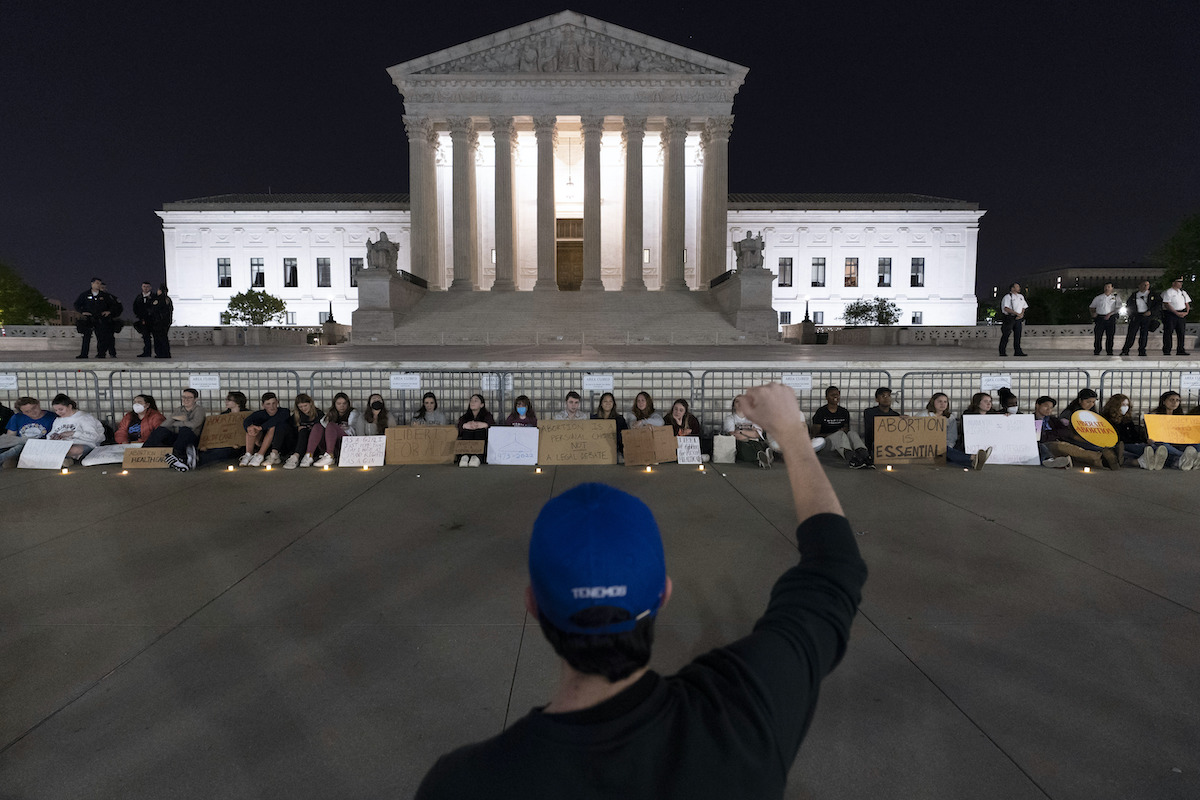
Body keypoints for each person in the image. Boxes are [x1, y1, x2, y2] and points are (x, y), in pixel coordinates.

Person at [415, 382, 867, 799]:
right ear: (663, 594)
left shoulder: (462, 783)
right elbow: (835, 568)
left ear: (533, 605)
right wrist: (790, 432)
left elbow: (835, 571)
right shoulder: (740, 715)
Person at [143, 388, 207, 472]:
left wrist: (180, 422)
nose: (186, 400)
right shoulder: (179, 409)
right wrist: (173, 418)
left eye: (189, 398)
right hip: (177, 436)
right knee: (161, 431)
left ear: (195, 399)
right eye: (184, 397)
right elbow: (165, 425)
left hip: (191, 436)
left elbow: (194, 424)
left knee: (185, 430)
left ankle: (178, 456)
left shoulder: (199, 410)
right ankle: (144, 451)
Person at [1099, 394, 1170, 470]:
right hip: (1121, 444)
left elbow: (1134, 434)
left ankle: (1174, 460)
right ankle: (1176, 460)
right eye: (1123, 405)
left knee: (1155, 448)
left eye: (1127, 405)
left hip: (1132, 443)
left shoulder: (1127, 419)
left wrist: (1144, 441)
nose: (1125, 407)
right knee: (1150, 450)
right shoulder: (1106, 419)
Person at [1059, 388, 1122, 470]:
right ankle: (1110, 456)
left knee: (1102, 444)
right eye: (1088, 402)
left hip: (1090, 437)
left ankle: (1112, 455)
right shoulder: (1068, 413)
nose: (1091, 405)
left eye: (1093, 402)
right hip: (1074, 438)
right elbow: (1065, 430)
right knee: (1096, 446)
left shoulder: (1093, 414)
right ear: (1080, 400)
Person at [811, 385, 869, 468]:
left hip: (841, 441)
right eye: (832, 395)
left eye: (837, 394)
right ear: (826, 397)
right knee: (839, 434)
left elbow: (847, 430)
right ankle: (852, 459)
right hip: (827, 443)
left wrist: (844, 431)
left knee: (852, 433)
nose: (835, 397)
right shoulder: (821, 412)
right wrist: (835, 433)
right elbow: (815, 435)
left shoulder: (844, 412)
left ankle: (865, 456)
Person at [47, 394, 105, 467]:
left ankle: (61, 458)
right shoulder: (58, 420)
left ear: (70, 406)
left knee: (73, 449)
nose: (58, 412)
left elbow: (94, 437)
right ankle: (67, 459)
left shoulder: (84, 417)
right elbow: (52, 433)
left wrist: (73, 433)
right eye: (56, 410)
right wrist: (52, 437)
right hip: (62, 444)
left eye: (61, 409)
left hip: (84, 443)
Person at [1146, 391, 1199, 470]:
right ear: (1164, 401)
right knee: (1162, 446)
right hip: (1162, 442)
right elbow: (1149, 433)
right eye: (1171, 400)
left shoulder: (1181, 417)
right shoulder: (1154, 415)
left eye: (1177, 400)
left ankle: (1188, 459)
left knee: (1197, 444)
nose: (1174, 402)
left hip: (1178, 443)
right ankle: (1187, 458)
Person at [240, 392, 295, 467]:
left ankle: (260, 455)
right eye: (268, 404)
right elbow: (247, 421)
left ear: (277, 402)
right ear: (263, 405)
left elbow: (276, 420)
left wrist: (260, 428)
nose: (271, 406)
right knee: (251, 428)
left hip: (283, 445)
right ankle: (248, 454)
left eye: (273, 403)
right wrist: (249, 428)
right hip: (265, 444)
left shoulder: (284, 411)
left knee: (273, 426)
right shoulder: (260, 414)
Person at [311, 392, 365, 468]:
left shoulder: (353, 413)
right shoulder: (331, 413)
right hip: (332, 442)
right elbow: (323, 424)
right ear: (334, 404)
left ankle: (329, 455)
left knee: (331, 425)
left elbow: (353, 430)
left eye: (344, 404)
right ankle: (309, 455)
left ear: (348, 404)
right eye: (339, 404)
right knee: (318, 427)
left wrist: (338, 429)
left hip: (347, 443)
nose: (341, 406)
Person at [917, 392, 972, 467]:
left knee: (946, 454)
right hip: (924, 445)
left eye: (945, 402)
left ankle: (971, 461)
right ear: (933, 402)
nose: (942, 404)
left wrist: (946, 447)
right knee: (949, 457)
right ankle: (971, 459)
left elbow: (951, 436)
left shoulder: (950, 417)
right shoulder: (923, 415)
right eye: (940, 401)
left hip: (943, 446)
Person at [1, 397, 56, 469]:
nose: (32, 412)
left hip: (39, 446)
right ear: (22, 412)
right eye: (27, 411)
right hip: (20, 444)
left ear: (38, 404)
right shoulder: (17, 417)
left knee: (19, 447)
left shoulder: (52, 417)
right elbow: (11, 437)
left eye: (34, 408)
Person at [73, 277, 121, 359]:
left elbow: (114, 305)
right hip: (89, 319)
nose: (99, 285)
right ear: (92, 284)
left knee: (101, 337)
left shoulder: (105, 296)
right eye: (97, 283)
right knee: (86, 337)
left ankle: (101, 354)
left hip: (101, 319)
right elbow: (77, 304)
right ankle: (84, 354)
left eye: (100, 283)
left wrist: (109, 312)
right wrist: (82, 312)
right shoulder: (85, 294)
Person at [199, 391, 248, 467]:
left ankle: (198, 460)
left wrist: (240, 443)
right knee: (214, 449)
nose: (226, 402)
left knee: (222, 451)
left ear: (238, 402)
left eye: (229, 400)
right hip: (224, 443)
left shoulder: (247, 415)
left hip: (239, 447)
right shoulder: (223, 416)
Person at [861, 387, 900, 469]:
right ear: (876, 399)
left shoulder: (896, 415)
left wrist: (903, 421)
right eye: (883, 396)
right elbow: (870, 430)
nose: (886, 398)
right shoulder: (869, 412)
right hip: (875, 443)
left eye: (888, 396)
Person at [1032, 396, 1074, 468]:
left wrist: (1052, 433)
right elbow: (1040, 438)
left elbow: (1066, 431)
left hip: (1055, 441)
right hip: (1046, 444)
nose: (1049, 409)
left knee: (1073, 448)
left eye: (1051, 408)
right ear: (1037, 405)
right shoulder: (1032, 419)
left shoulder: (1052, 419)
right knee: (1068, 448)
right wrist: (1056, 434)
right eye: (1046, 406)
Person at [1120, 280, 1159, 356]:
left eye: (1147, 285)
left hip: (1146, 316)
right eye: (1144, 285)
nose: (1145, 286)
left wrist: (1151, 312)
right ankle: (1125, 350)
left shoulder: (1153, 295)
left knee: (1144, 334)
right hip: (1136, 316)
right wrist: (1131, 315)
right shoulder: (1134, 295)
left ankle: (1142, 350)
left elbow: (1157, 305)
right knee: (1131, 334)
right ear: (1139, 286)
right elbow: (1129, 305)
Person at [283, 394, 322, 469]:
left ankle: (298, 456)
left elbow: (320, 429)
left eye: (305, 406)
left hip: (313, 444)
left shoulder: (318, 414)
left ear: (310, 403)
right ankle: (295, 456)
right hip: (298, 443)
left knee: (304, 430)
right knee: (302, 431)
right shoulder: (296, 416)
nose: (303, 409)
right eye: (300, 407)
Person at [456, 394, 495, 466]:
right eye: (471, 401)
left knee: (480, 431)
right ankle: (465, 456)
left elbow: (490, 425)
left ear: (482, 405)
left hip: (482, 442)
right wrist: (466, 425)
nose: (472, 402)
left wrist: (476, 425)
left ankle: (477, 456)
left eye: (476, 401)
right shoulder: (464, 417)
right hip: (466, 443)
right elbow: (460, 427)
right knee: (467, 431)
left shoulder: (488, 416)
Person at [1088, 282, 1122, 356]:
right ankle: (1097, 350)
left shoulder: (1116, 297)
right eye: (1106, 287)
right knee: (1098, 336)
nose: (1107, 288)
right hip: (1100, 318)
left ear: (1112, 288)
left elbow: (1118, 308)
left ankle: (1109, 351)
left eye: (1109, 287)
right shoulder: (1098, 297)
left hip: (1111, 318)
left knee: (1110, 336)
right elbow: (1092, 307)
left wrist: (1110, 314)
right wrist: (1093, 313)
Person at [1161, 277, 1192, 356]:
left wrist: (1186, 312)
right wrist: (1175, 312)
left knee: (1181, 332)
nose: (1180, 284)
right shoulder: (1169, 292)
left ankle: (1180, 349)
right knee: (1168, 332)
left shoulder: (1183, 292)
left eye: (1181, 282)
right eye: (1178, 282)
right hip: (1171, 314)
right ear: (1173, 283)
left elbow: (1187, 303)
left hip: (1182, 313)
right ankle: (1167, 349)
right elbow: (1166, 304)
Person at [590, 392, 628, 456]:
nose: (608, 403)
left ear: (613, 404)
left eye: (610, 401)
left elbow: (625, 436)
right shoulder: (594, 419)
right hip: (597, 453)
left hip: (616, 453)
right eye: (605, 401)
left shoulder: (620, 419)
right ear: (601, 404)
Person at [998, 282, 1028, 357]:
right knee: (1006, 334)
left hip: (1018, 318)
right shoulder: (1008, 297)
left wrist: (1021, 314)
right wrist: (1016, 313)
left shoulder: (1021, 296)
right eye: (1017, 287)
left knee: (1018, 335)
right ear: (1012, 288)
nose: (1019, 288)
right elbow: (1006, 308)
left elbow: (1024, 306)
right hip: (1009, 318)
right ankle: (1002, 351)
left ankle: (1018, 351)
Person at [149, 283, 173, 358]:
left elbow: (154, 309)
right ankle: (166, 353)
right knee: (164, 337)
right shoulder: (168, 299)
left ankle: (161, 353)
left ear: (160, 291)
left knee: (159, 338)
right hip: (166, 322)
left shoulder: (159, 299)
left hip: (159, 322)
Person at [132, 281, 155, 358]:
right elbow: (135, 308)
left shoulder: (154, 297)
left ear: (150, 287)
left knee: (157, 337)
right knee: (146, 337)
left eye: (147, 287)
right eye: (144, 286)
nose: (146, 288)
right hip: (143, 321)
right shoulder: (138, 297)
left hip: (153, 321)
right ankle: (147, 352)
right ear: (142, 287)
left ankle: (159, 352)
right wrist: (140, 317)